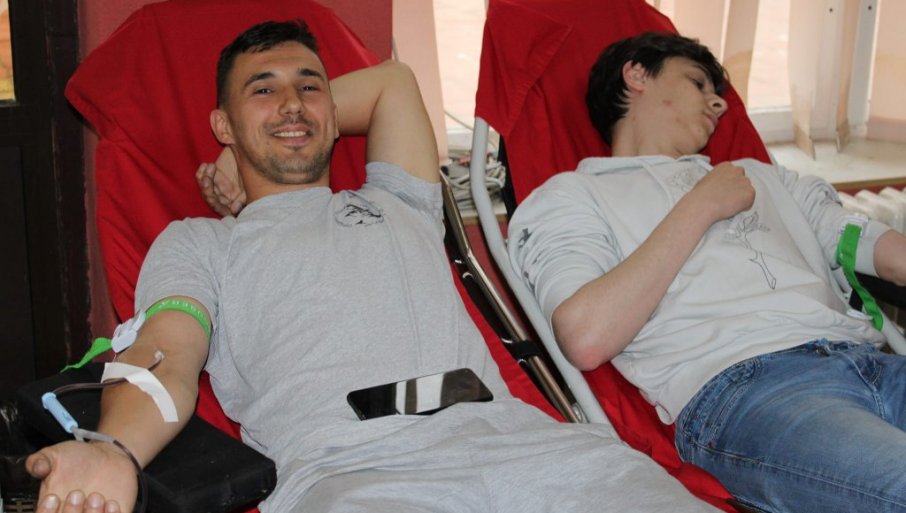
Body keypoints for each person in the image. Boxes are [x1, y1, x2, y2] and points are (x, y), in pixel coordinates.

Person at [25, 21, 720, 513]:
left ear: (336, 115)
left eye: (310, 88)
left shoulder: (399, 201)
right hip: (354, 475)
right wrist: (112, 449)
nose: (291, 103)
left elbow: (393, 81)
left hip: (529, 448)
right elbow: (165, 355)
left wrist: (267, 130)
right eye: (262, 90)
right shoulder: (199, 243)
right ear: (222, 124)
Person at [507, 31, 906, 513]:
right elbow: (585, 336)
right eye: (698, 82)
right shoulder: (570, 197)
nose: (718, 103)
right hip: (752, 392)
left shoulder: (765, 177)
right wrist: (699, 207)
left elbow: (874, 247)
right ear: (636, 75)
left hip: (874, 362)